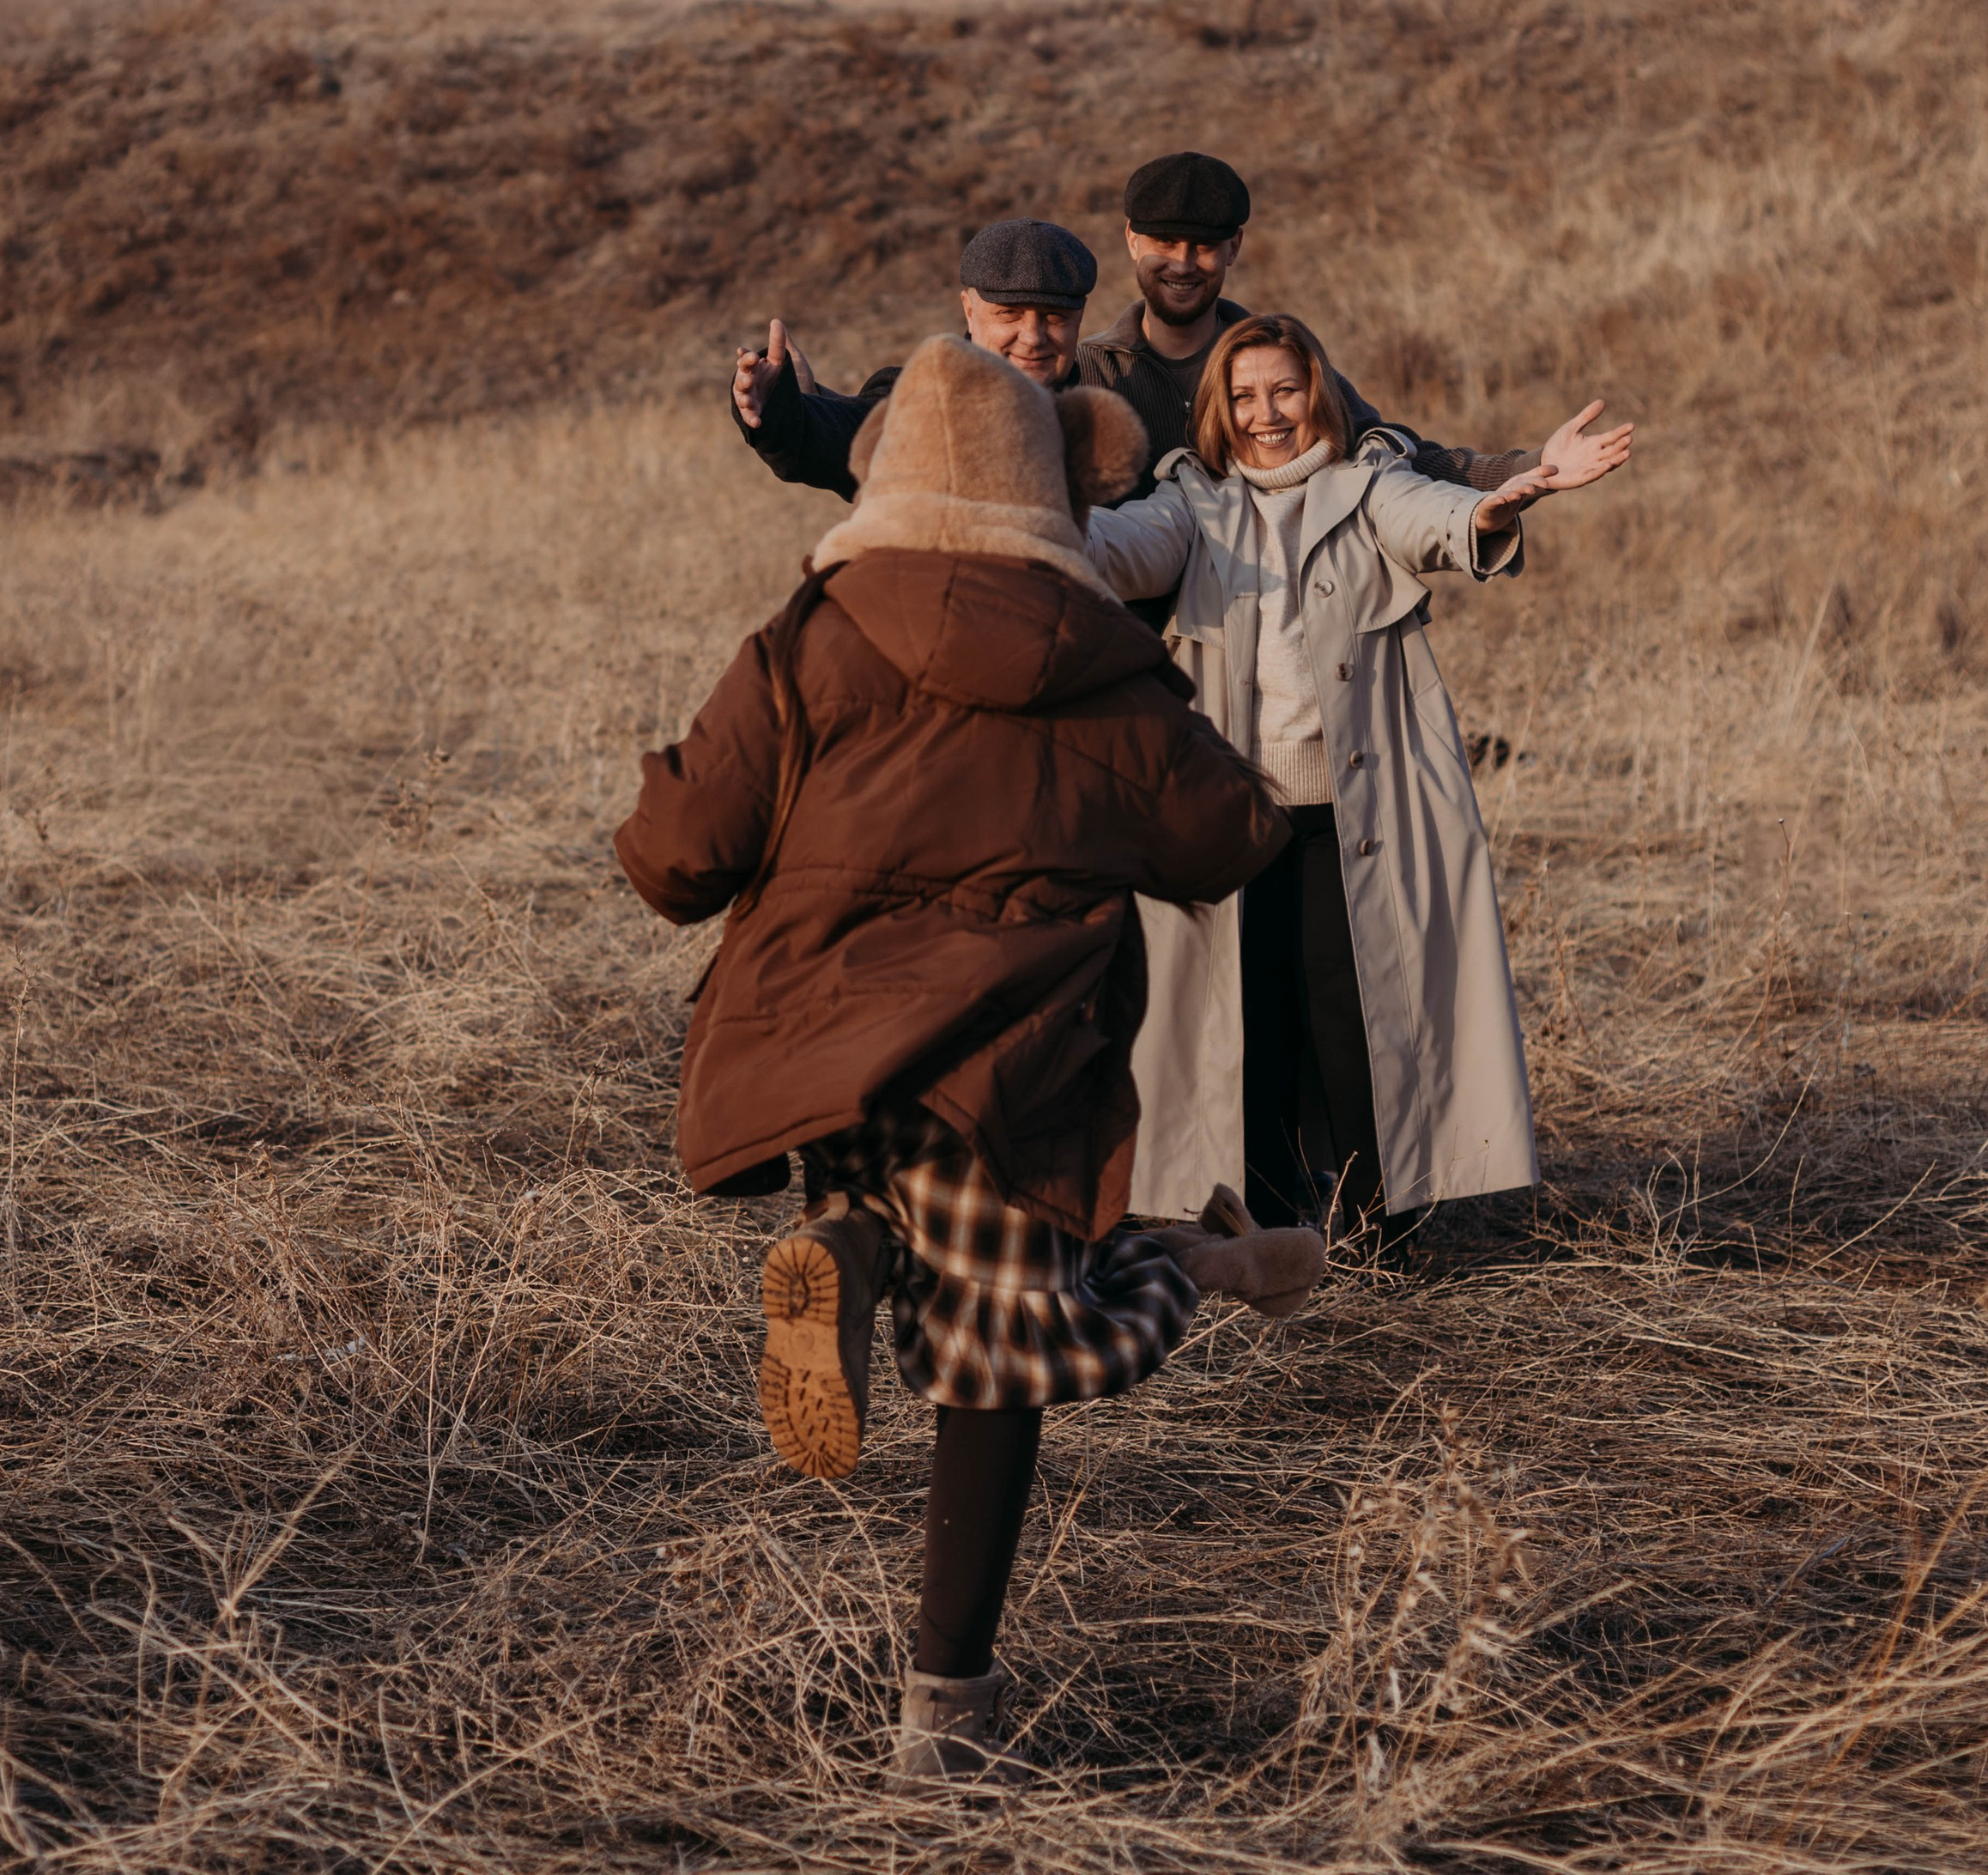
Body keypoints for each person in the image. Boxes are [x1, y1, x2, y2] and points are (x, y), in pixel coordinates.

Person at [616, 335, 1320, 1781]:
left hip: (824, 1045)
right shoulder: (1103, 667)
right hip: (1015, 1065)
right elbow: (1228, 841)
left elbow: (675, 860)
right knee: (1003, 1353)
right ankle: (947, 1712)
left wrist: (675, 784)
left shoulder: (811, 634)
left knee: (885, 1186)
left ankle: (854, 1247)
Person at [1085, 312, 1633, 1241]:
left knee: (1358, 1018)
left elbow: (1434, 517)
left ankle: (1378, 1227)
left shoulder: (1367, 480)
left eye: (1284, 391)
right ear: (1219, 406)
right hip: (1233, 817)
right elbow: (1114, 546)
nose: (1266, 414)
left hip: (1358, 807)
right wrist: (1024, 514)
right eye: (1245, 395)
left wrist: (1503, 500)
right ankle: (1253, 1229)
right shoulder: (1190, 502)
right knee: (1247, 1020)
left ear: (1317, 393)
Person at [1083, 151, 1543, 499]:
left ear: (1235, 247)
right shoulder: (1087, 372)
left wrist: (1533, 466)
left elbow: (1403, 456)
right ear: (1132, 240)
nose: (1183, 264)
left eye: (1204, 246)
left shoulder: (1282, 363)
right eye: (1165, 242)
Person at [730, 215, 1095, 500]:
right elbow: (851, 433)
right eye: (1009, 315)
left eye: (1055, 317)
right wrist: (782, 410)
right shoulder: (927, 401)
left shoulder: (1108, 406)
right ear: (969, 310)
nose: (1032, 338)